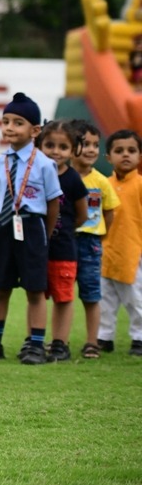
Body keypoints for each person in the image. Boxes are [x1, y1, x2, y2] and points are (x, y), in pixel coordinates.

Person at [0, 92, 62, 365]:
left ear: (35, 130)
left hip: (33, 228)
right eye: (5, 121)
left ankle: (36, 345)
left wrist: (45, 236)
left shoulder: (45, 164)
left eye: (18, 122)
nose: (10, 128)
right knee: (0, 287)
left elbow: (52, 205)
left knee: (35, 290)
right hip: (3, 228)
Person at [33, 120, 88, 361]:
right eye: (50, 145)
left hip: (64, 249)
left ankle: (60, 343)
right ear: (39, 145)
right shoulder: (35, 173)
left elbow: (82, 214)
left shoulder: (74, 179)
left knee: (63, 297)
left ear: (73, 149)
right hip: (36, 247)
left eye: (63, 147)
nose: (56, 151)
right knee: (35, 294)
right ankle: (35, 342)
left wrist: (61, 230)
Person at [70, 120, 119, 359]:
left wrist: (103, 234)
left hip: (90, 242)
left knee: (91, 293)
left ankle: (92, 342)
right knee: (62, 293)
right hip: (65, 241)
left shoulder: (101, 181)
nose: (91, 150)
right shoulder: (63, 177)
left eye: (95, 145)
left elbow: (109, 211)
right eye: (85, 144)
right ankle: (58, 340)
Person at [97, 129, 142, 356]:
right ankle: (104, 337)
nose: (125, 155)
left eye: (131, 151)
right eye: (119, 151)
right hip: (105, 251)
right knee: (105, 299)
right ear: (108, 157)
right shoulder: (104, 185)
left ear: (139, 156)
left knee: (136, 298)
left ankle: (139, 337)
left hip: (134, 252)